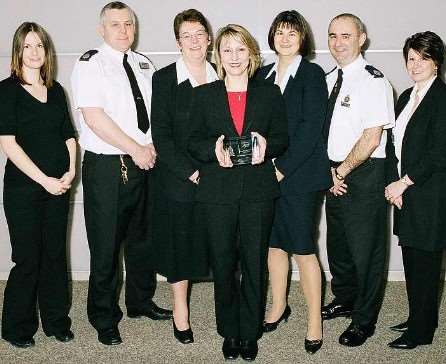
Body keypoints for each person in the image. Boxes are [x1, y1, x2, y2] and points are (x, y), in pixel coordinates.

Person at [70, 1, 171, 346]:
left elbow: (155, 113)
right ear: (102, 30)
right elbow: (95, 118)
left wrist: (153, 146)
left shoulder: (144, 63)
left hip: (145, 163)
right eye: (115, 25)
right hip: (109, 167)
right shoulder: (90, 64)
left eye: (128, 24)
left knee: (143, 239)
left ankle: (140, 302)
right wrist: (135, 148)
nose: (124, 30)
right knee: (106, 245)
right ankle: (103, 317)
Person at [188, 24, 288, 361]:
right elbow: (192, 141)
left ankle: (250, 331)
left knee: (254, 262)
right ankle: (230, 331)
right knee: (224, 263)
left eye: (241, 49)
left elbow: (282, 137)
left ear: (252, 55)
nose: (234, 57)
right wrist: (213, 150)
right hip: (217, 192)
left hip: (259, 192)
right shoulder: (203, 94)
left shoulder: (270, 93)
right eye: (227, 50)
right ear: (218, 55)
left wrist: (266, 145)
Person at [257, 10, 331, 354]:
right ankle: (278, 306)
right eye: (280, 33)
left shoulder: (313, 75)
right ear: (272, 36)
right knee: (273, 244)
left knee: (302, 247)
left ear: (302, 38)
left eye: (292, 33)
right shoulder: (263, 73)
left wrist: (281, 168)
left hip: (300, 176)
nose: (285, 39)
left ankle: (314, 319)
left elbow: (309, 129)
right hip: (267, 173)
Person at [0, 22, 76, 348]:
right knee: (28, 258)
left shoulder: (56, 90)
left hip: (59, 186)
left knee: (56, 256)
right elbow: (9, 143)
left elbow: (69, 135)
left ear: (47, 51)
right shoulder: (6, 90)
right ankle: (17, 328)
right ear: (18, 51)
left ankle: (56, 321)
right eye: (27, 46)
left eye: (39, 46)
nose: (34, 52)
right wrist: (43, 180)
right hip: (24, 190)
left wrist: (71, 171)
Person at [321, 13, 395, 346]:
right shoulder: (328, 78)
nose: (338, 42)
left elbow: (371, 138)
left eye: (346, 36)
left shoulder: (373, 80)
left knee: (366, 252)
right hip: (333, 171)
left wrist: (343, 171)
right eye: (333, 35)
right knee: (338, 247)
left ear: (361, 38)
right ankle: (346, 298)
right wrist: (328, 171)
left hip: (362, 173)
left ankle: (364, 320)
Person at [150, 9, 217, 344]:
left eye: (199, 33)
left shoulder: (223, 74)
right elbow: (161, 136)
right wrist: (191, 173)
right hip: (178, 177)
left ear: (209, 38)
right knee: (179, 247)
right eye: (186, 35)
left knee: (220, 246)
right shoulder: (163, 79)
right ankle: (181, 313)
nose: (194, 40)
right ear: (178, 41)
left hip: (219, 177)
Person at [385, 31, 446, 350]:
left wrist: (404, 182)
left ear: (437, 62)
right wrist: (395, 185)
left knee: (425, 261)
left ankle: (422, 332)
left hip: (429, 194)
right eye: (411, 58)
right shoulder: (406, 96)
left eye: (423, 58)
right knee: (411, 257)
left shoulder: (444, 99)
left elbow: (440, 153)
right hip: (406, 193)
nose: (415, 64)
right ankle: (419, 317)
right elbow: (396, 145)